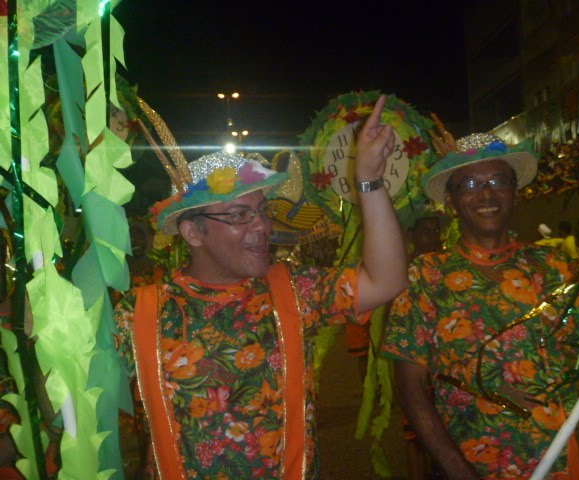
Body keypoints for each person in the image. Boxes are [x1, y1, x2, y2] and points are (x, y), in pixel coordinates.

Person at [114, 95, 408, 479]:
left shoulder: (295, 291)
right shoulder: (140, 313)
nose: (262, 226)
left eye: (262, 211)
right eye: (240, 214)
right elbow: (72, 403)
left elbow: (386, 280)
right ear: (192, 233)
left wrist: (368, 180)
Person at [383, 132, 579, 479]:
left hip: (556, 464)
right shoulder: (427, 276)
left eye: (498, 181)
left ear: (516, 192)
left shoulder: (553, 267)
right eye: (469, 184)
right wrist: (459, 471)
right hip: (467, 465)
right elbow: (411, 389)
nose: (486, 194)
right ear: (450, 200)